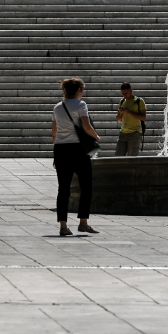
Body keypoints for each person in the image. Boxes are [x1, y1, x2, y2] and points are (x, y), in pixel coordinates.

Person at [51, 78, 100, 236]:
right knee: (86, 186)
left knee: (63, 188)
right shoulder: (81, 105)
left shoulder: (57, 107)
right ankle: (83, 223)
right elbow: (86, 126)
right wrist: (97, 137)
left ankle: (63, 226)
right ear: (79, 90)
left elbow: (54, 132)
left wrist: (56, 150)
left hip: (60, 149)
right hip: (78, 149)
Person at [115, 83, 146, 157]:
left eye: (126, 93)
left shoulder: (139, 101)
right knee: (118, 157)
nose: (124, 95)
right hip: (123, 133)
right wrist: (120, 113)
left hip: (135, 133)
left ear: (131, 91)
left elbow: (143, 117)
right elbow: (118, 119)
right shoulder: (122, 101)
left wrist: (129, 112)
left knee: (132, 158)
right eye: (122, 93)